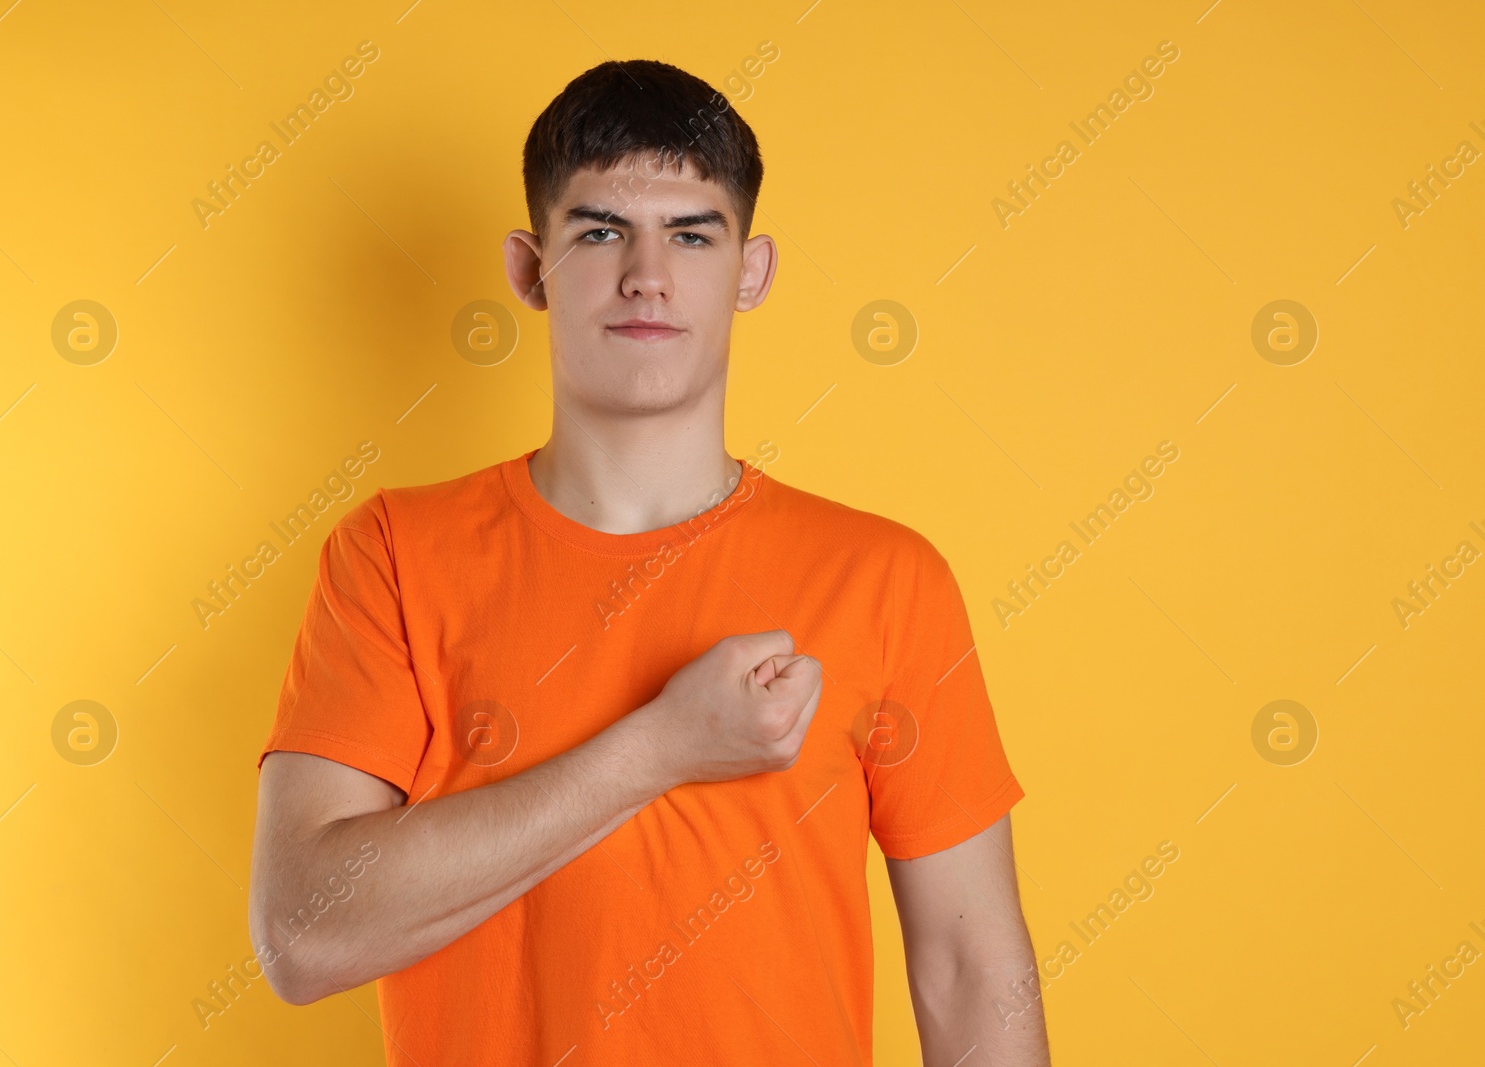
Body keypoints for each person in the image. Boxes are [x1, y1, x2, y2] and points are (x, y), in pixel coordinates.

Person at [249, 57, 1049, 1065]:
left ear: (750, 271)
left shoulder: (884, 576)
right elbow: (301, 933)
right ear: (528, 268)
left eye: (690, 233)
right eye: (598, 231)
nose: (647, 277)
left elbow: (969, 970)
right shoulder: (394, 553)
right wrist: (661, 746)